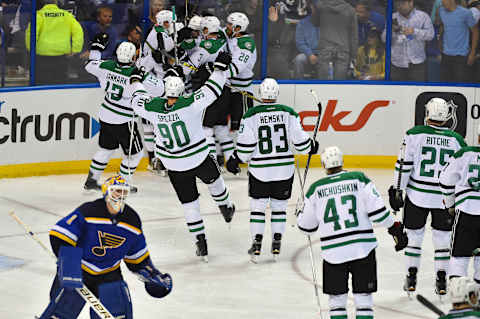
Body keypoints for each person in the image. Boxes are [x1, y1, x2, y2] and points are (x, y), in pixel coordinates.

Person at [130, 52, 235, 262]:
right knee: (216, 181)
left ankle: (201, 243)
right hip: (198, 156)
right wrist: (220, 68)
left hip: (173, 163)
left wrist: (135, 80)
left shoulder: (153, 108)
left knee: (189, 204)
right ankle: (226, 207)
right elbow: (212, 90)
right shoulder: (190, 103)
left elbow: (137, 99)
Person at [297, 146, 408, 319]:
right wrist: (394, 227)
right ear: (342, 161)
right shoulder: (359, 179)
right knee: (363, 299)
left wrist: (299, 212)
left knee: (337, 301)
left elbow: (306, 227)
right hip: (363, 249)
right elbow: (378, 213)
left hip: (333, 253)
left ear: (324, 164)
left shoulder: (315, 189)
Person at [39, 175, 172, 318]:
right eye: (117, 191)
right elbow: (60, 235)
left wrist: (151, 274)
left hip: (109, 273)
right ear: (106, 191)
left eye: (124, 192)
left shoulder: (132, 220)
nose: (120, 195)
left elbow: (137, 256)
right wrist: (70, 266)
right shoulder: (89, 211)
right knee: (60, 313)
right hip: (80, 270)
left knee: (117, 314)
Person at [226, 78, 318, 262]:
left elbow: (246, 145)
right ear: (276, 94)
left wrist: (236, 159)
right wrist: (311, 146)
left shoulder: (250, 115)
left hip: (260, 170)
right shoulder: (289, 112)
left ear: (260, 93)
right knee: (279, 207)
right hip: (284, 170)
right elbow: (300, 142)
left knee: (258, 207)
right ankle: (276, 243)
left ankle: (257, 243)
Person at [389, 98, 467, 296]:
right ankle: (441, 279)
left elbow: (403, 164)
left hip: (417, 196)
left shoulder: (414, 134)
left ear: (427, 114)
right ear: (446, 116)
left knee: (414, 236)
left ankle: (411, 276)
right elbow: (461, 171)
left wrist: (398, 190)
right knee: (443, 237)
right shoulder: (456, 139)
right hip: (443, 197)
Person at [82, 39, 162, 193]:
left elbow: (89, 64)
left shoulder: (106, 66)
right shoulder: (136, 74)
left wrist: (95, 49)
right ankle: (120, 183)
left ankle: (91, 180)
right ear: (133, 57)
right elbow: (160, 89)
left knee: (106, 149)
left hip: (105, 115)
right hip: (124, 120)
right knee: (136, 154)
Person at [440, 144, 480, 283]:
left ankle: (460, 299)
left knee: (459, 258)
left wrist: (450, 204)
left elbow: (445, 181)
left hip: (466, 212)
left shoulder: (464, 154)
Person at [25, 0, 84, 85]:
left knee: (41, 84)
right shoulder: (66, 15)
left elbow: (31, 34)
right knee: (59, 84)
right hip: (61, 56)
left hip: (42, 55)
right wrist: (75, 49)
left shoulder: (39, 15)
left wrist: (31, 49)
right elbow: (78, 32)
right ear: (56, 2)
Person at [381, 0, 434, 82]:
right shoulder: (392, 17)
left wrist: (415, 31)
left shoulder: (423, 16)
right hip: (397, 64)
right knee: (397, 93)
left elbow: (430, 35)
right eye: (398, 3)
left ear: (411, 3)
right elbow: (384, 39)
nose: (400, 6)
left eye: (403, 3)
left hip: (417, 63)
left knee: (417, 91)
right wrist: (391, 31)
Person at [313, 0, 358, 80]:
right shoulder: (351, 10)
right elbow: (354, 35)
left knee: (323, 85)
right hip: (343, 50)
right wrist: (354, 55)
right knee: (339, 85)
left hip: (325, 49)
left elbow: (315, 23)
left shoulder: (320, 6)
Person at [439, 0, 478, 83]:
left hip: (461, 57)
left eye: (444, 1)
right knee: (444, 86)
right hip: (445, 55)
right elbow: (442, 27)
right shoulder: (441, 11)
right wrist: (439, 45)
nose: (442, 3)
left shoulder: (465, 13)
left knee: (460, 87)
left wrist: (472, 53)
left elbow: (475, 31)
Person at [294, 1, 320, 79]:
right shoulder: (302, 23)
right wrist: (310, 54)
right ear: (312, 7)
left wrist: (322, 55)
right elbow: (300, 43)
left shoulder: (326, 23)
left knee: (329, 62)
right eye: (316, 8)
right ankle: (298, 85)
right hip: (307, 54)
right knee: (299, 60)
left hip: (323, 55)